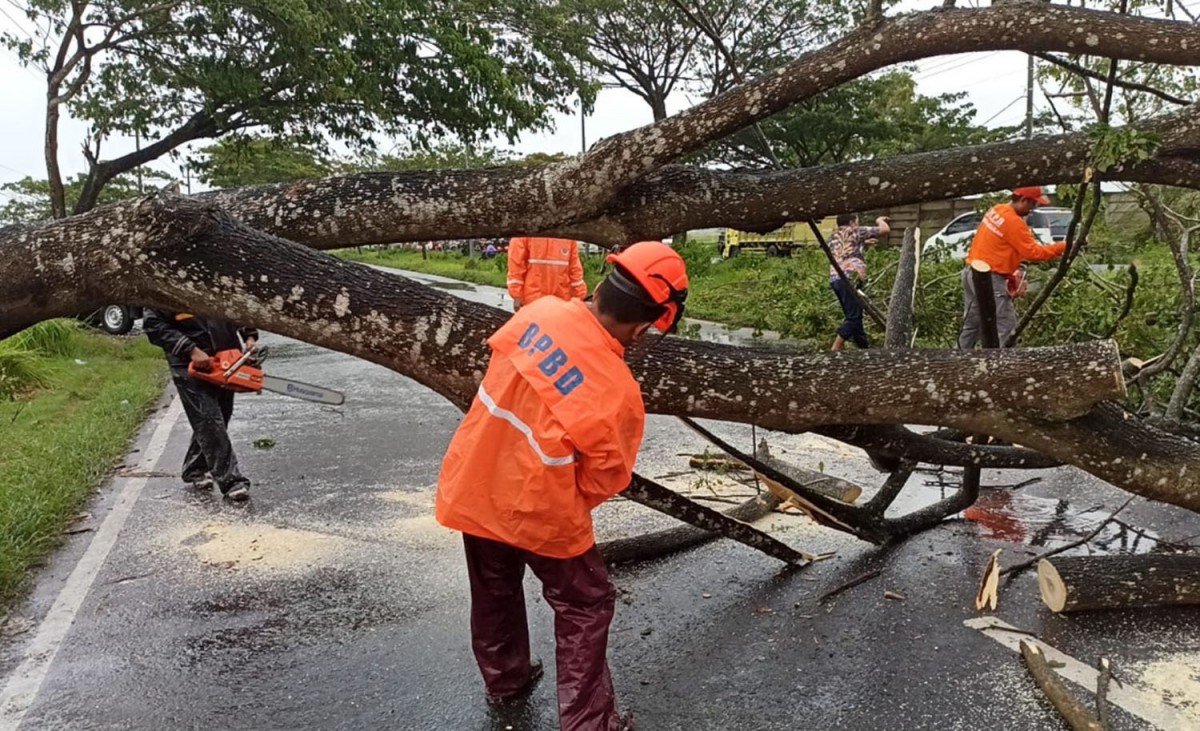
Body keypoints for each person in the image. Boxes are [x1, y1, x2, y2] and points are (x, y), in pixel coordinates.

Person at [436, 241, 689, 731]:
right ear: (647, 327)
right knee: (586, 602)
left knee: (493, 587)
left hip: (475, 483)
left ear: (600, 284)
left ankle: (505, 678)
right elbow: (603, 479)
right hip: (542, 509)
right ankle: (589, 722)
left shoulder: (539, 313)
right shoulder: (618, 393)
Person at [144, 310, 257, 501]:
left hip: (225, 358)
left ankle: (195, 468)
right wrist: (190, 349)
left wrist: (250, 337)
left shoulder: (217, 281)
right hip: (188, 363)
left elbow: (235, 306)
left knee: (221, 414)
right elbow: (153, 325)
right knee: (208, 420)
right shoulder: (164, 290)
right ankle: (231, 481)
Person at [958, 186, 1066, 349]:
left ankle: (959, 362)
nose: (1032, 209)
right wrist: (1065, 246)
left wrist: (1012, 274)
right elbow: (1034, 253)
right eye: (1032, 205)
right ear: (1023, 200)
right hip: (990, 280)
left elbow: (999, 249)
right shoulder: (1014, 222)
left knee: (972, 326)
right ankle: (1003, 367)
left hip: (970, 272)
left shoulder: (997, 210)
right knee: (1006, 327)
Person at [828, 213, 890, 350]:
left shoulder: (832, 236)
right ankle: (835, 349)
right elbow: (885, 230)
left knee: (855, 316)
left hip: (835, 279)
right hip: (851, 278)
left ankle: (864, 349)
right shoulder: (856, 231)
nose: (858, 223)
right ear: (851, 222)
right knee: (854, 318)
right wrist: (879, 220)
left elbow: (845, 249)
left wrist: (863, 242)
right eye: (856, 221)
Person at [507, 236, 588, 311]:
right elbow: (516, 266)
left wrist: (580, 296)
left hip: (559, 299)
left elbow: (574, 269)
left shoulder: (567, 237)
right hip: (533, 300)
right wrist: (516, 295)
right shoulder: (525, 233)